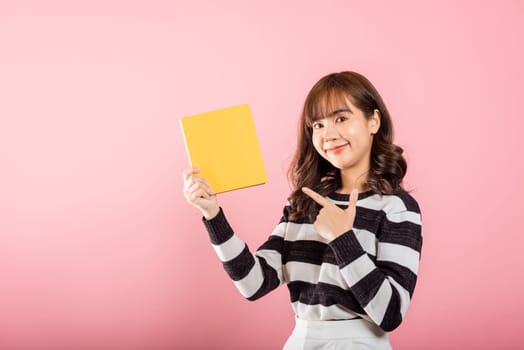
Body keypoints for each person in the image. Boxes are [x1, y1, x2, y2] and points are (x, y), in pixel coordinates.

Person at [182, 71, 423, 350]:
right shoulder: (303, 203)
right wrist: (213, 215)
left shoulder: (397, 208)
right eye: (317, 125)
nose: (328, 134)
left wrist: (343, 238)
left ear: (373, 121)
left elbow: (390, 313)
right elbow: (253, 283)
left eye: (341, 118)